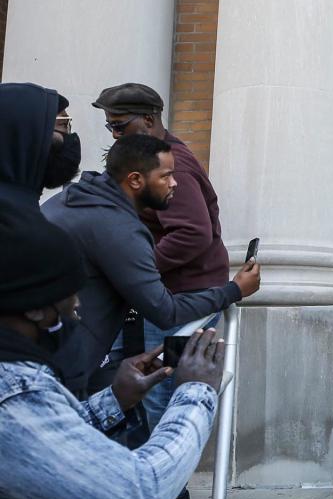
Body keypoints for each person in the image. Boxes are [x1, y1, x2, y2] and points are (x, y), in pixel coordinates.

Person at [0, 205, 225, 499]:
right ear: (32, 309)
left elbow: (42, 452)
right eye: (71, 295)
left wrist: (114, 400)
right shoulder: (14, 392)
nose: (77, 310)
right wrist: (195, 392)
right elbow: (142, 493)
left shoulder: (17, 387)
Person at [94, 83, 233, 499]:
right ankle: (159, 491)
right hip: (171, 294)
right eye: (110, 126)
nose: (114, 134)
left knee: (159, 392)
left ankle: (165, 494)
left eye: (120, 125)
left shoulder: (177, 168)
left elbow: (194, 232)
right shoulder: (153, 158)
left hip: (185, 297)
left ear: (150, 120)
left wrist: (138, 270)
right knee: (149, 387)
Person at [42, 134, 260, 398]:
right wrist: (234, 290)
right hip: (59, 365)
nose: (175, 183)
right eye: (165, 176)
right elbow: (164, 311)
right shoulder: (118, 228)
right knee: (158, 403)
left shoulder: (77, 198)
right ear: (135, 180)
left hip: (51, 354)